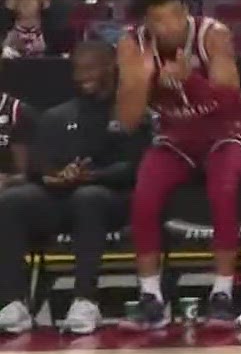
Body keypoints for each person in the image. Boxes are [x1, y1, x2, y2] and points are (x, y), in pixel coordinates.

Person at [116, 0, 241, 330]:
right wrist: (140, 82)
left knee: (223, 190)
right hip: (177, 137)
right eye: (156, 21)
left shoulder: (213, 35)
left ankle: (222, 294)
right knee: (144, 195)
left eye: (172, 17)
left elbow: (232, 101)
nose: (165, 27)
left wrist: (191, 79)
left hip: (224, 133)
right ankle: (150, 298)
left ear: (185, 14)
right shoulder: (133, 46)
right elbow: (128, 122)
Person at [0, 40, 142, 335]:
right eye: (78, 70)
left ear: (110, 68)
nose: (82, 76)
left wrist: (93, 176)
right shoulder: (58, 116)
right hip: (61, 198)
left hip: (111, 200)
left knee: (87, 197)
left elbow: (133, 167)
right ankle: (13, 302)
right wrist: (53, 177)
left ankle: (85, 300)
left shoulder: (129, 112)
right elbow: (39, 167)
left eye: (90, 69)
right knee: (13, 200)